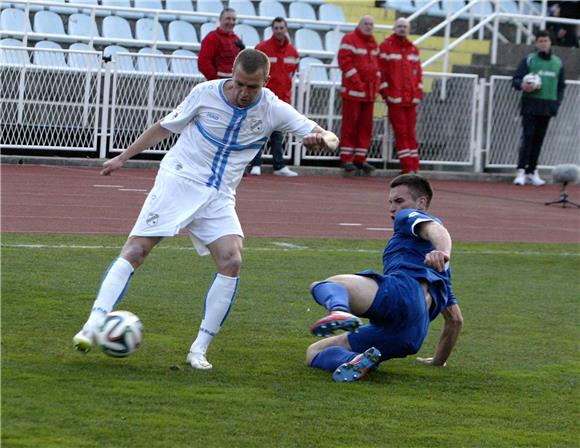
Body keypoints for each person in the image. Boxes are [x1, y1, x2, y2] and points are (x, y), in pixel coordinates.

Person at [73, 49, 339, 370]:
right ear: (232, 74)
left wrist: (324, 140)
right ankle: (92, 324)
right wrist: (122, 158)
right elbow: (164, 127)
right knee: (137, 250)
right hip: (180, 178)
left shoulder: (273, 108)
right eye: (238, 83)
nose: (243, 92)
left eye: (251, 87)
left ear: (265, 82)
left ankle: (198, 350)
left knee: (232, 260)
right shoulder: (204, 93)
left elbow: (327, 134)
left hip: (219, 195)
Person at [305, 174, 463, 382]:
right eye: (390, 202)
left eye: (399, 201)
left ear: (421, 203)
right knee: (314, 352)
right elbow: (455, 320)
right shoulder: (441, 272)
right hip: (409, 334)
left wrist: (443, 251)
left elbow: (436, 229)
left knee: (328, 285)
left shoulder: (408, 217)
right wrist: (438, 361)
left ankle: (340, 311)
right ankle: (358, 361)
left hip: (403, 294)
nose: (393, 208)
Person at [512, 30, 565, 186]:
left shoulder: (558, 62)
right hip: (530, 104)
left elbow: (561, 86)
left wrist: (557, 103)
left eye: (546, 40)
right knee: (527, 137)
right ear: (536, 43)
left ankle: (532, 171)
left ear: (550, 42)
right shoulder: (529, 60)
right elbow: (515, 80)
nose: (543, 43)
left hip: (548, 105)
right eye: (540, 41)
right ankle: (521, 170)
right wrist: (522, 85)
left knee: (539, 140)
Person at [248, 17, 300, 177]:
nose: (279, 30)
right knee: (258, 131)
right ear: (272, 29)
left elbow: (291, 74)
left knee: (278, 133)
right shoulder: (262, 48)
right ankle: (256, 163)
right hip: (262, 98)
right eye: (276, 28)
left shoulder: (293, 51)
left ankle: (279, 165)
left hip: (281, 99)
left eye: (281, 28)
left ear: (286, 29)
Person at [379, 18, 423, 174]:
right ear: (394, 28)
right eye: (399, 26)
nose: (402, 29)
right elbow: (381, 72)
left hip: (410, 98)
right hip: (395, 98)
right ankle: (408, 166)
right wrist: (386, 93)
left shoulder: (412, 48)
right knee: (402, 132)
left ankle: (414, 167)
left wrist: (418, 92)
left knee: (410, 132)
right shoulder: (386, 46)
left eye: (405, 27)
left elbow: (418, 74)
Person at [337, 15, 380, 174]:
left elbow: (376, 66)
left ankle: (360, 158)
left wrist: (374, 85)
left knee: (365, 127)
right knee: (350, 126)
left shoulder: (373, 42)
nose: (369, 26)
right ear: (359, 24)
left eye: (371, 24)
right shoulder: (349, 39)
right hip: (353, 92)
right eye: (366, 24)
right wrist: (358, 82)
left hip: (368, 94)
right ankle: (346, 158)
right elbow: (344, 62)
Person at [198, 8, 244, 81]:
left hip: (234, 81)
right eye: (228, 19)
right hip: (218, 80)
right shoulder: (211, 38)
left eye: (234, 19)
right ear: (220, 20)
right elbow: (203, 62)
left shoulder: (236, 39)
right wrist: (215, 80)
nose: (231, 22)